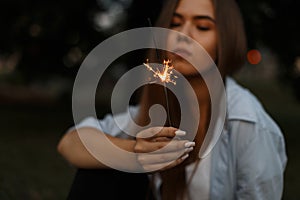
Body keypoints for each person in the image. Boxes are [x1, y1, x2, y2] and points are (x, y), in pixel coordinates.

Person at [57, 0, 287, 199]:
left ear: (225, 40)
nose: (183, 35)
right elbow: (71, 142)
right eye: (175, 23)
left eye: (202, 26)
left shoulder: (248, 125)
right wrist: (135, 152)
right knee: (100, 169)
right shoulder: (161, 103)